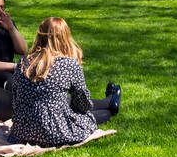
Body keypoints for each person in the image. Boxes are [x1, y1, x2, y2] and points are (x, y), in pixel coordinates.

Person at [6, 17, 120, 147]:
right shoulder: (69, 64)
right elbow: (82, 104)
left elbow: (15, 97)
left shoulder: (23, 61)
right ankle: (110, 105)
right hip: (53, 134)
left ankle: (110, 101)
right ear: (65, 36)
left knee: (63, 105)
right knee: (95, 116)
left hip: (22, 132)